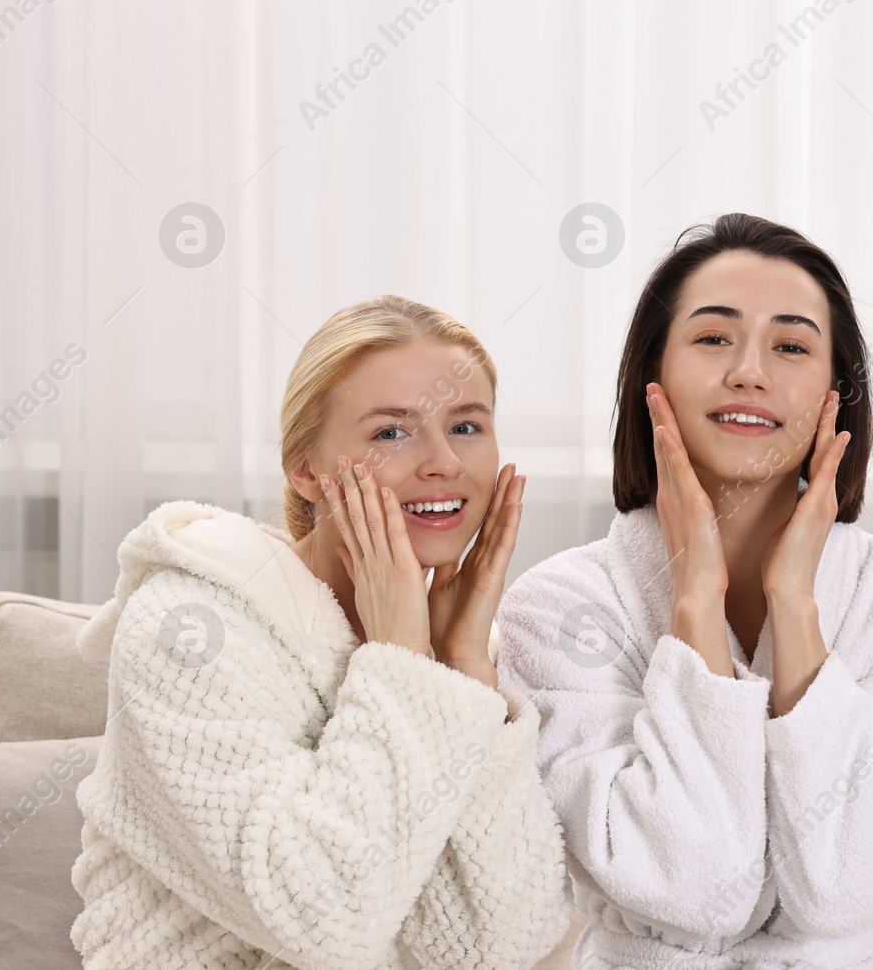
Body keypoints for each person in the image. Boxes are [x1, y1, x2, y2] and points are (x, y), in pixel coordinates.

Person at [496, 214, 873, 969]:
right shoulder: (561, 606)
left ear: (835, 395)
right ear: (651, 377)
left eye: (791, 346)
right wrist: (694, 600)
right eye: (713, 338)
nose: (749, 372)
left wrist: (795, 607)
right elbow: (695, 888)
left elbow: (853, 884)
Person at [71, 295, 571, 969]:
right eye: (391, 432)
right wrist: (400, 661)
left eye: (466, 425)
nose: (443, 462)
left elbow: (503, 946)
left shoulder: (449, 657)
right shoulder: (186, 630)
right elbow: (323, 924)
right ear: (307, 470)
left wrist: (462, 670)